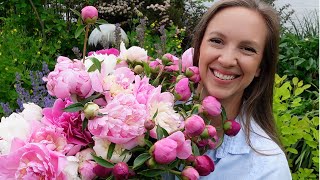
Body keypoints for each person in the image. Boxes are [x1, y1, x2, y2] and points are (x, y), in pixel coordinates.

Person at [192, 0, 292, 179]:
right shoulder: (148, 112)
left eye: (247, 49)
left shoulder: (269, 168)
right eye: (216, 41)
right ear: (199, 48)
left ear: (260, 66)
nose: (227, 60)